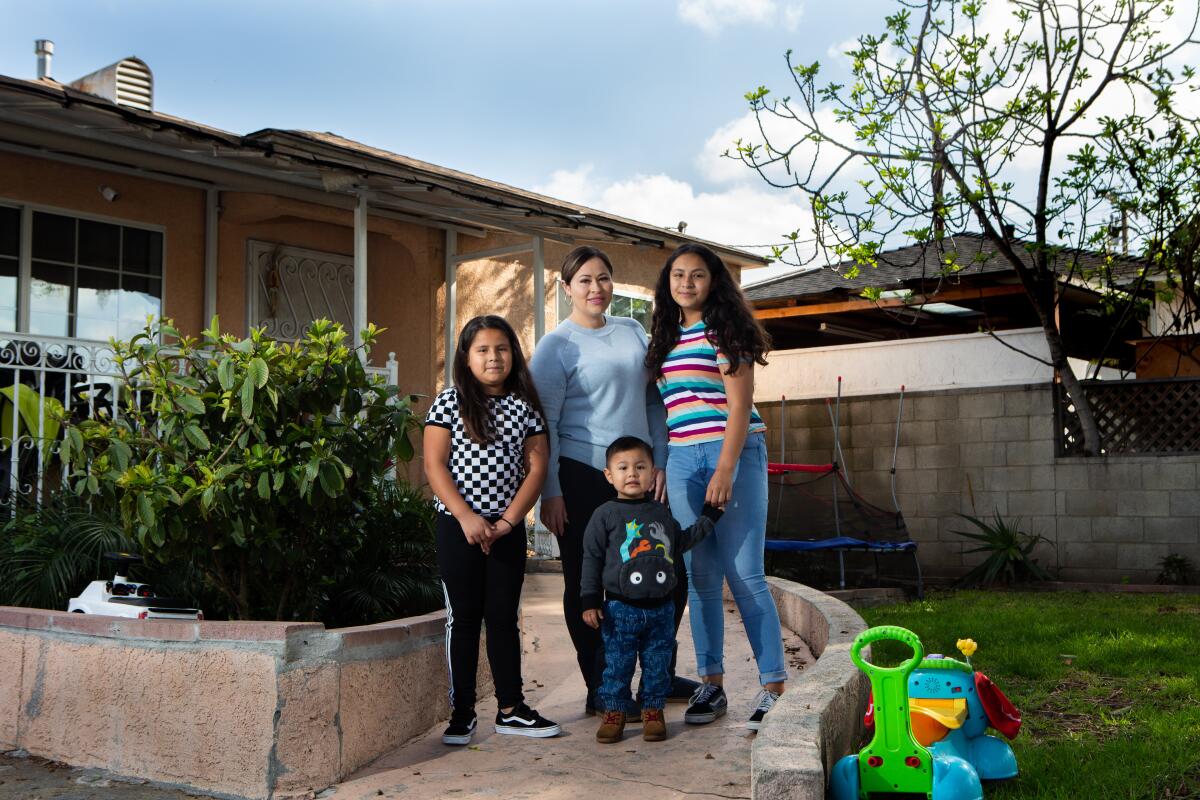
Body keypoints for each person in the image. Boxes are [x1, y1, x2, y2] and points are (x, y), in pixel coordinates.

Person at [530, 246, 698, 715]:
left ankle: (656, 677)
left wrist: (659, 461)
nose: (596, 288)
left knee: (669, 572)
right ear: (567, 289)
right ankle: (602, 685)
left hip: (640, 475)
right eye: (584, 280)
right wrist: (551, 492)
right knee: (589, 584)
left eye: (603, 278)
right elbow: (545, 424)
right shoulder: (555, 346)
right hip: (582, 475)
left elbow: (653, 402)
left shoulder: (632, 330)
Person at [645, 242, 787, 731]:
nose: (686, 283)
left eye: (697, 275)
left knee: (745, 574)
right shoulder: (663, 338)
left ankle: (773, 687)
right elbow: (668, 412)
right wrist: (666, 464)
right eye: (678, 275)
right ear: (668, 282)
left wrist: (725, 469)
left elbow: (741, 405)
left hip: (735, 453)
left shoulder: (726, 331)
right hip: (683, 459)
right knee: (700, 576)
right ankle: (712, 684)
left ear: (713, 282)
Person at [424, 315, 561, 745]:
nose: (493, 357)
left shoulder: (526, 407)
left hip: (506, 531)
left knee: (503, 619)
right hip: (457, 528)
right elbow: (435, 465)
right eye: (482, 349)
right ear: (467, 357)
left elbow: (537, 468)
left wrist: (505, 522)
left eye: (501, 348)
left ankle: (511, 709)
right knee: (462, 620)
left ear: (513, 355)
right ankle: (461, 712)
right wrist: (467, 517)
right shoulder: (448, 403)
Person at [581, 436, 723, 744]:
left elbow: (681, 542)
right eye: (623, 467)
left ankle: (653, 711)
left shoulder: (660, 512)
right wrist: (590, 599)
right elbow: (591, 557)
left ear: (652, 473)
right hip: (619, 609)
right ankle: (615, 713)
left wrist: (709, 517)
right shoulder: (604, 514)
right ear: (609, 475)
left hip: (661, 609)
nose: (632, 473)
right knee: (617, 663)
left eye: (640, 467)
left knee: (658, 663)